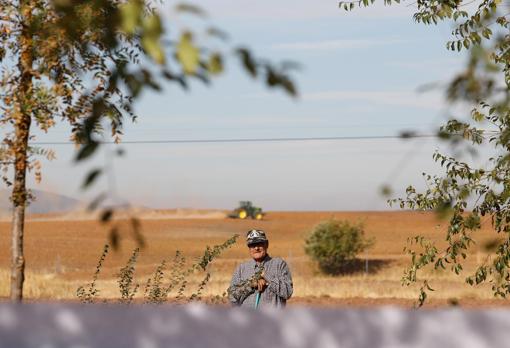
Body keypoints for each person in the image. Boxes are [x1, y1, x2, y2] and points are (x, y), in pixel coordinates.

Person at [228, 229, 293, 308]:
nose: (256, 248)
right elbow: (232, 298)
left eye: (259, 244)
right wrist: (250, 285)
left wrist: (267, 278)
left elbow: (287, 292)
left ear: (266, 244)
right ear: (249, 247)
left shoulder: (279, 265)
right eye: (252, 245)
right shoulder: (242, 269)